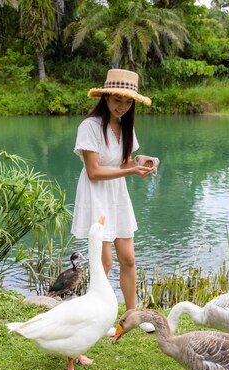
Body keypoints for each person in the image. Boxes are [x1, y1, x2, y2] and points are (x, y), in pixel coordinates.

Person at [71, 68, 159, 333]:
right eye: (117, 100)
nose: (122, 106)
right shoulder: (90, 126)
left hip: (117, 195)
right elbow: (94, 171)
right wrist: (131, 170)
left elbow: (122, 162)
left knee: (128, 258)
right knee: (105, 261)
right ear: (106, 97)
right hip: (95, 194)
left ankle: (133, 315)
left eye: (128, 101)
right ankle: (100, 318)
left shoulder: (125, 127)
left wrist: (141, 162)